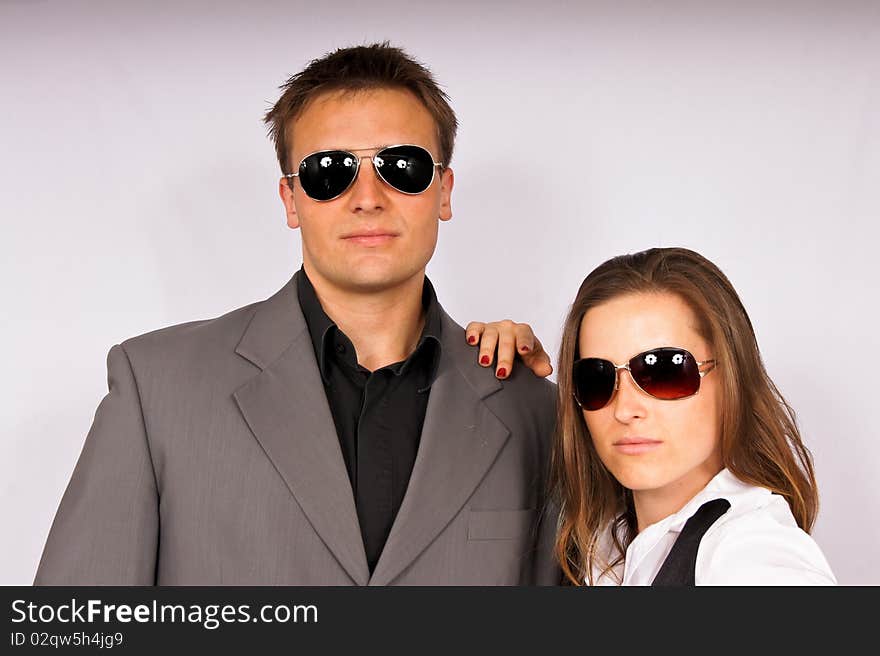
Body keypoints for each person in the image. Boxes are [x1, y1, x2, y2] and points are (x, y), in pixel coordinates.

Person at [35, 43, 559, 585]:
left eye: (402, 167)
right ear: (290, 199)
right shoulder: (157, 389)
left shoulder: (531, 409)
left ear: (443, 191)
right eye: (329, 171)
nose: (368, 197)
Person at [468, 247, 836, 585]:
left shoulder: (751, 555)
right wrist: (489, 376)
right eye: (596, 378)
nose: (625, 409)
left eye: (664, 371)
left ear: (732, 378)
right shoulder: (602, 545)